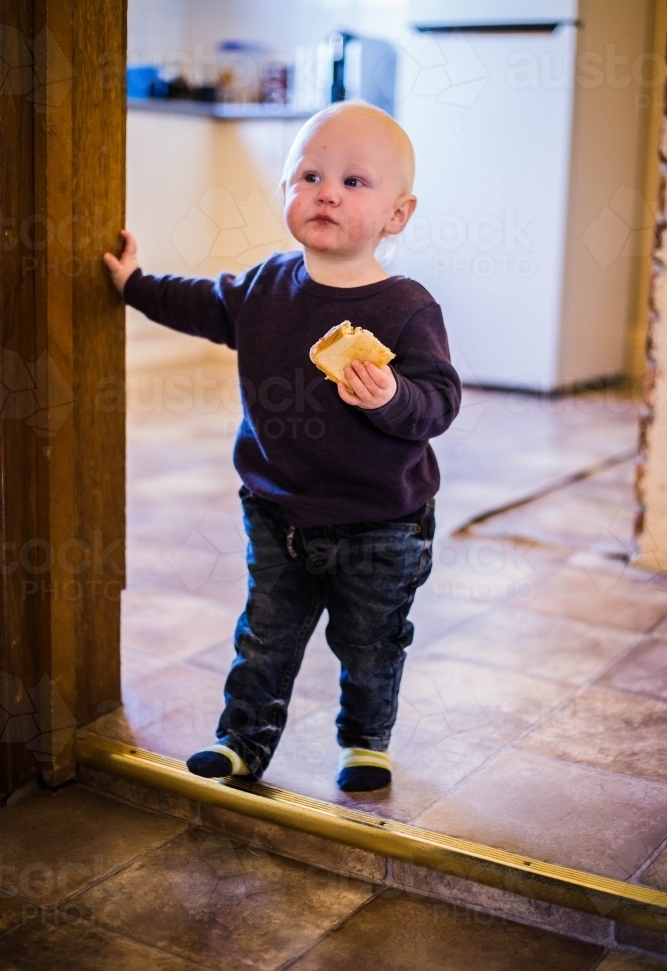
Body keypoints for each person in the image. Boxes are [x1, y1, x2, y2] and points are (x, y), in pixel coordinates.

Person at [104, 100, 461, 793]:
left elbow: (439, 400)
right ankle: (241, 742)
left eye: (354, 182)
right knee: (264, 634)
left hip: (382, 520)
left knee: (370, 642)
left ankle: (363, 742)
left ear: (397, 214)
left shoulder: (406, 307)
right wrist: (135, 286)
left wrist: (392, 398)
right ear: (285, 193)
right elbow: (202, 302)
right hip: (279, 510)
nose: (326, 191)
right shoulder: (267, 286)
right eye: (308, 175)